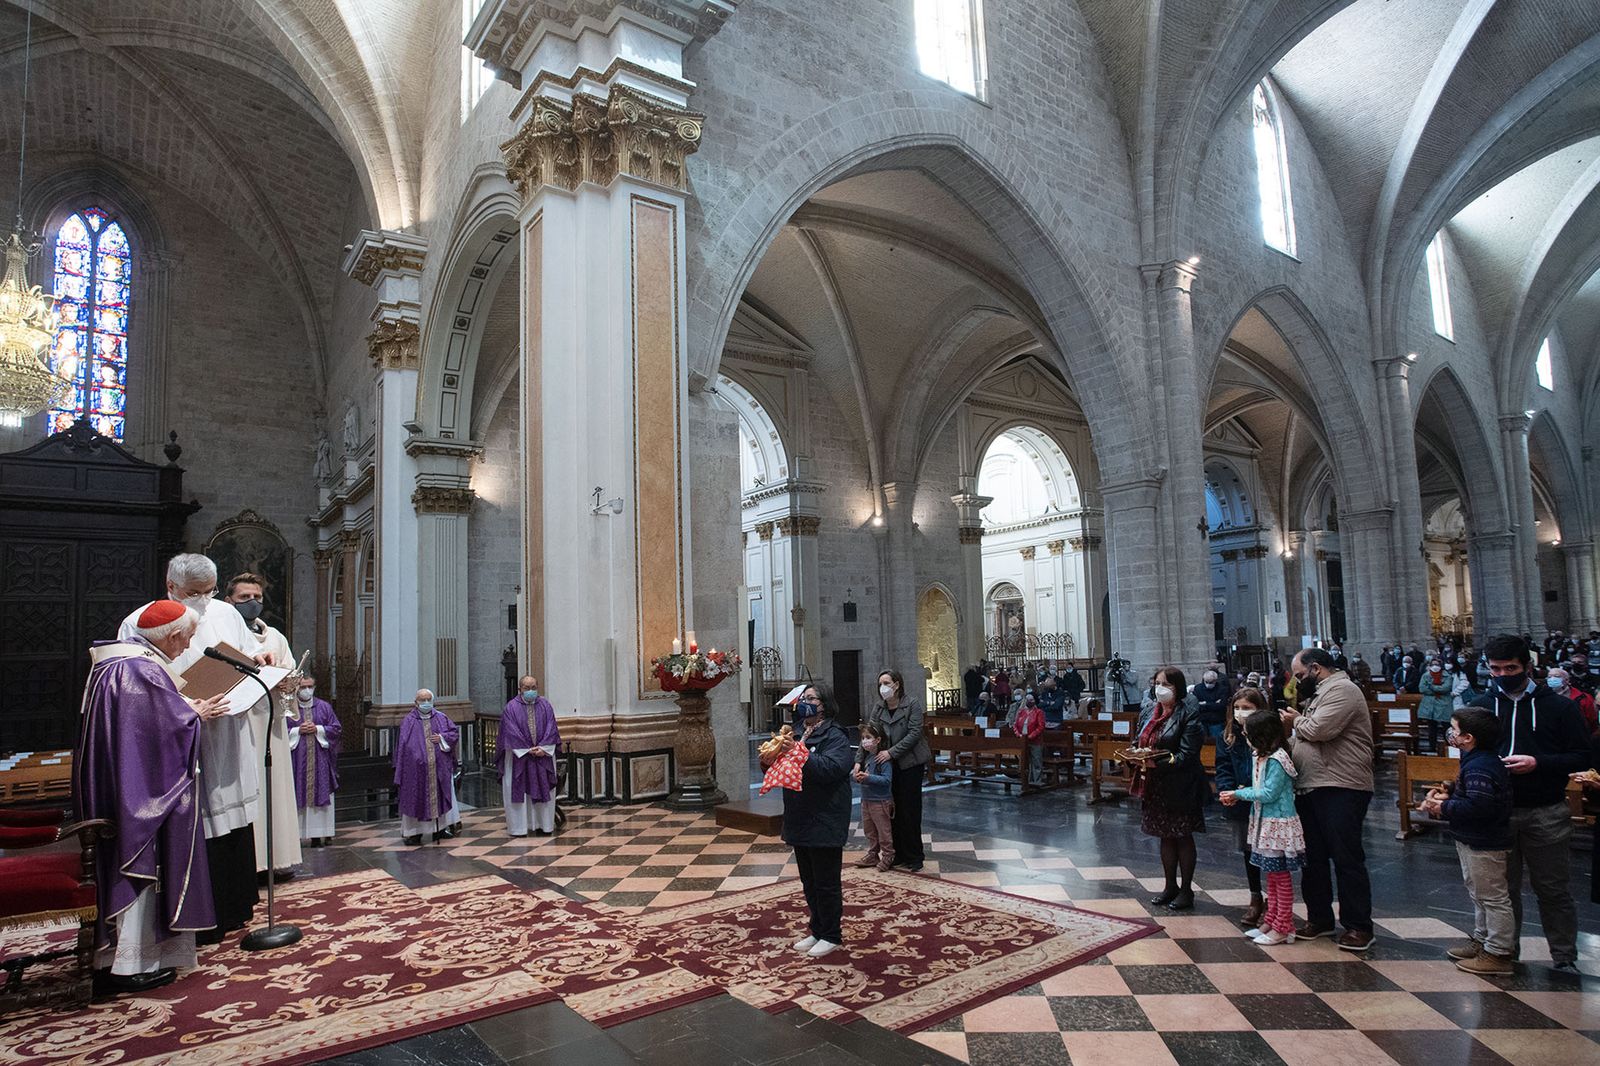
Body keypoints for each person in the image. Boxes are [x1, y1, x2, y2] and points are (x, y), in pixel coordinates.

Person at [76, 601, 227, 993]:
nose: (188, 645)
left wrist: (185, 711)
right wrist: (196, 715)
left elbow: (142, 727)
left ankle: (124, 960)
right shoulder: (140, 669)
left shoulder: (120, 662)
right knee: (145, 871)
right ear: (173, 635)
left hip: (125, 783)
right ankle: (131, 966)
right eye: (188, 638)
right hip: (140, 795)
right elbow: (158, 733)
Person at [119, 553, 264, 944]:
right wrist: (187, 709)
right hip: (183, 734)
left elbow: (247, 651)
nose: (203, 601)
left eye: (209, 591)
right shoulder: (138, 622)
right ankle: (199, 915)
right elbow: (134, 686)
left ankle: (236, 905)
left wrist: (259, 661)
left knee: (232, 818)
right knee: (201, 820)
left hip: (229, 727)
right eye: (192, 593)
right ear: (170, 586)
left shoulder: (226, 613)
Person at [1469, 634, 1592, 971]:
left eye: (1510, 667)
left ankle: (1564, 956)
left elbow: (1582, 755)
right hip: (1499, 811)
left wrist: (1539, 762)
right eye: (1495, 669)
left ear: (1527, 666)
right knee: (1503, 891)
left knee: (1552, 888)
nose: (1503, 674)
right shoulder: (1481, 706)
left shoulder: (1560, 707)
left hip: (1545, 809)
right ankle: (1506, 952)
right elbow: (1470, 754)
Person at [1283, 647, 1375, 951]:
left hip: (1341, 785)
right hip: (1312, 785)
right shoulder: (1320, 693)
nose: (1297, 683)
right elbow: (1303, 738)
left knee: (1346, 858)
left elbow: (1319, 730)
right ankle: (1319, 918)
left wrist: (1295, 721)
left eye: (1299, 675)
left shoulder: (1344, 690)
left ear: (1316, 668)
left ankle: (1358, 926)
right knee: (1313, 858)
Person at [1417, 708, 1515, 976]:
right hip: (1474, 838)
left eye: (1455, 730)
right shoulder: (1478, 760)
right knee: (1479, 894)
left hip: (1485, 841)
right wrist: (1450, 790)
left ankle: (1498, 952)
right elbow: (1474, 795)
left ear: (1468, 738)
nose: (1451, 734)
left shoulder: (1481, 766)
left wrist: (1443, 807)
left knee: (1492, 898)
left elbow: (1480, 807)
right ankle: (1482, 940)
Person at [764, 684, 852, 958]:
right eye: (803, 699)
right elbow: (782, 768)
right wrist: (768, 759)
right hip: (800, 813)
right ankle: (816, 929)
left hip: (825, 814)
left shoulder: (836, 735)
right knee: (809, 880)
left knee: (826, 881)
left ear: (824, 704)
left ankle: (831, 934)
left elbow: (832, 768)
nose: (805, 703)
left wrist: (799, 754)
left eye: (810, 698)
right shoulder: (797, 732)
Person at [224, 572, 303, 878]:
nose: (252, 603)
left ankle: (278, 859)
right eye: (244, 598)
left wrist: (287, 683)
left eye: (257, 597)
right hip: (241, 722)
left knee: (275, 789)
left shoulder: (276, 638)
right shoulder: (226, 637)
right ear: (229, 601)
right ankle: (249, 864)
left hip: (271, 722)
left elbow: (291, 676)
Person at [1220, 709, 1305, 945]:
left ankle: (1284, 926)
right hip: (1264, 823)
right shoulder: (1262, 756)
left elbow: (1269, 793)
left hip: (1278, 824)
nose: (1246, 739)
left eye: (1248, 735)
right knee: (1271, 876)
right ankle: (1270, 921)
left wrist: (1239, 793)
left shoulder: (1278, 759)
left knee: (1281, 877)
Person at [1135, 668, 1206, 910]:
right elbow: (1140, 740)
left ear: (1178, 687)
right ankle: (1169, 886)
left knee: (1182, 835)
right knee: (1165, 836)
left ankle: (1186, 890)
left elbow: (1187, 753)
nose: (1160, 688)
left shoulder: (1189, 714)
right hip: (1155, 784)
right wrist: (1134, 754)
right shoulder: (1149, 712)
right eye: (1157, 683)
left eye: (1166, 683)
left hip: (1180, 784)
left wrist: (1158, 761)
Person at [861, 669, 931, 872]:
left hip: (909, 762)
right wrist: (859, 761)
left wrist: (891, 752)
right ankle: (897, 853)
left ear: (897, 684)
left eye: (886, 683)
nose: (883, 687)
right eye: (880, 683)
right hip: (886, 764)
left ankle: (914, 855)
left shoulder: (912, 704)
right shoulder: (879, 707)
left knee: (909, 809)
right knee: (890, 809)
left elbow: (914, 733)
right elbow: (869, 735)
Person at [1215, 687, 1269, 930]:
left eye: (1246, 708)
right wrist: (1227, 789)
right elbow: (1223, 766)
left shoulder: (1269, 735)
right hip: (1240, 802)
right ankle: (1256, 896)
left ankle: (1276, 901)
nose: (1240, 713)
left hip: (1267, 802)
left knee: (1270, 852)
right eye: (1237, 708)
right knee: (1249, 851)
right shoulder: (1228, 736)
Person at [394, 689, 460, 845]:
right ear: (415, 702)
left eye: (428, 699)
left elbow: (454, 734)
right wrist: (416, 758)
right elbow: (403, 747)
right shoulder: (408, 721)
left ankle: (440, 829)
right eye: (422, 700)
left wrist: (442, 738)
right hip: (415, 772)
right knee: (415, 798)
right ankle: (414, 833)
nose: (426, 703)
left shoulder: (441, 718)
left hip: (439, 769)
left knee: (439, 797)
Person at [498, 675, 561, 836]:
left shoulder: (545, 705)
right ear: (520, 689)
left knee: (544, 789)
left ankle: (544, 825)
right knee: (519, 793)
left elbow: (551, 727)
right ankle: (519, 828)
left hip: (543, 756)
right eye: (527, 688)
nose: (531, 691)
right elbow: (509, 731)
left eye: (534, 687)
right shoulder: (511, 708)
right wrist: (526, 749)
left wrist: (544, 748)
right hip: (518, 757)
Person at [288, 675, 340, 846]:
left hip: (320, 761)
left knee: (320, 793)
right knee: (297, 793)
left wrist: (318, 729)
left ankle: (319, 835)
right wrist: (297, 730)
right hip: (297, 761)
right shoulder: (289, 708)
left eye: (310, 686)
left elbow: (336, 729)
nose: (307, 690)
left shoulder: (324, 707)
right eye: (303, 687)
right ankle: (298, 835)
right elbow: (280, 731)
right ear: (296, 688)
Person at [851, 721, 895, 871]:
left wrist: (868, 778)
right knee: (870, 830)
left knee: (883, 831)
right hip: (867, 799)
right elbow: (861, 775)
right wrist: (857, 776)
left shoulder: (882, 759)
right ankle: (873, 854)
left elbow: (886, 780)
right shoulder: (866, 758)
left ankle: (888, 855)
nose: (865, 741)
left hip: (880, 801)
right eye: (863, 738)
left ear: (878, 740)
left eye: (868, 737)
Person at [1418, 659, 1456, 753]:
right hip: (1430, 704)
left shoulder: (1447, 676)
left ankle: (1448, 747)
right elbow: (1422, 688)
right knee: (1431, 727)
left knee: (1446, 726)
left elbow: (1446, 688)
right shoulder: (1425, 675)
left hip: (1444, 704)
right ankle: (1432, 746)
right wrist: (1436, 690)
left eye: (1437, 664)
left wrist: (1432, 687)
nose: (1435, 666)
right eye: (1433, 664)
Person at [1549, 666, 1598, 734]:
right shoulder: (1542, 698)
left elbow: (1593, 722)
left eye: (1557, 676)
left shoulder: (1584, 698)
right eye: (1549, 677)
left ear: (1567, 680)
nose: (1552, 679)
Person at [1013, 691, 1046, 786]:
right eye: (1027, 699)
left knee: (1036, 761)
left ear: (1035, 701)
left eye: (1031, 699)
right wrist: (1018, 734)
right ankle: (1027, 781)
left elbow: (1040, 727)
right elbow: (1015, 725)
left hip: (1035, 740)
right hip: (1023, 739)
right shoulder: (1021, 712)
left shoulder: (1039, 712)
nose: (1029, 701)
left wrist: (1031, 736)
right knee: (1025, 762)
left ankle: (1037, 781)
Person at [1192, 669, 1230, 740]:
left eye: (1211, 682)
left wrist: (1205, 703)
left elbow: (1221, 706)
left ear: (1215, 680)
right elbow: (1195, 705)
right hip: (1202, 720)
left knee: (1218, 741)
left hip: (1216, 721)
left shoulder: (1222, 689)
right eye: (1206, 682)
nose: (1208, 684)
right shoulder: (1198, 688)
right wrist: (1213, 703)